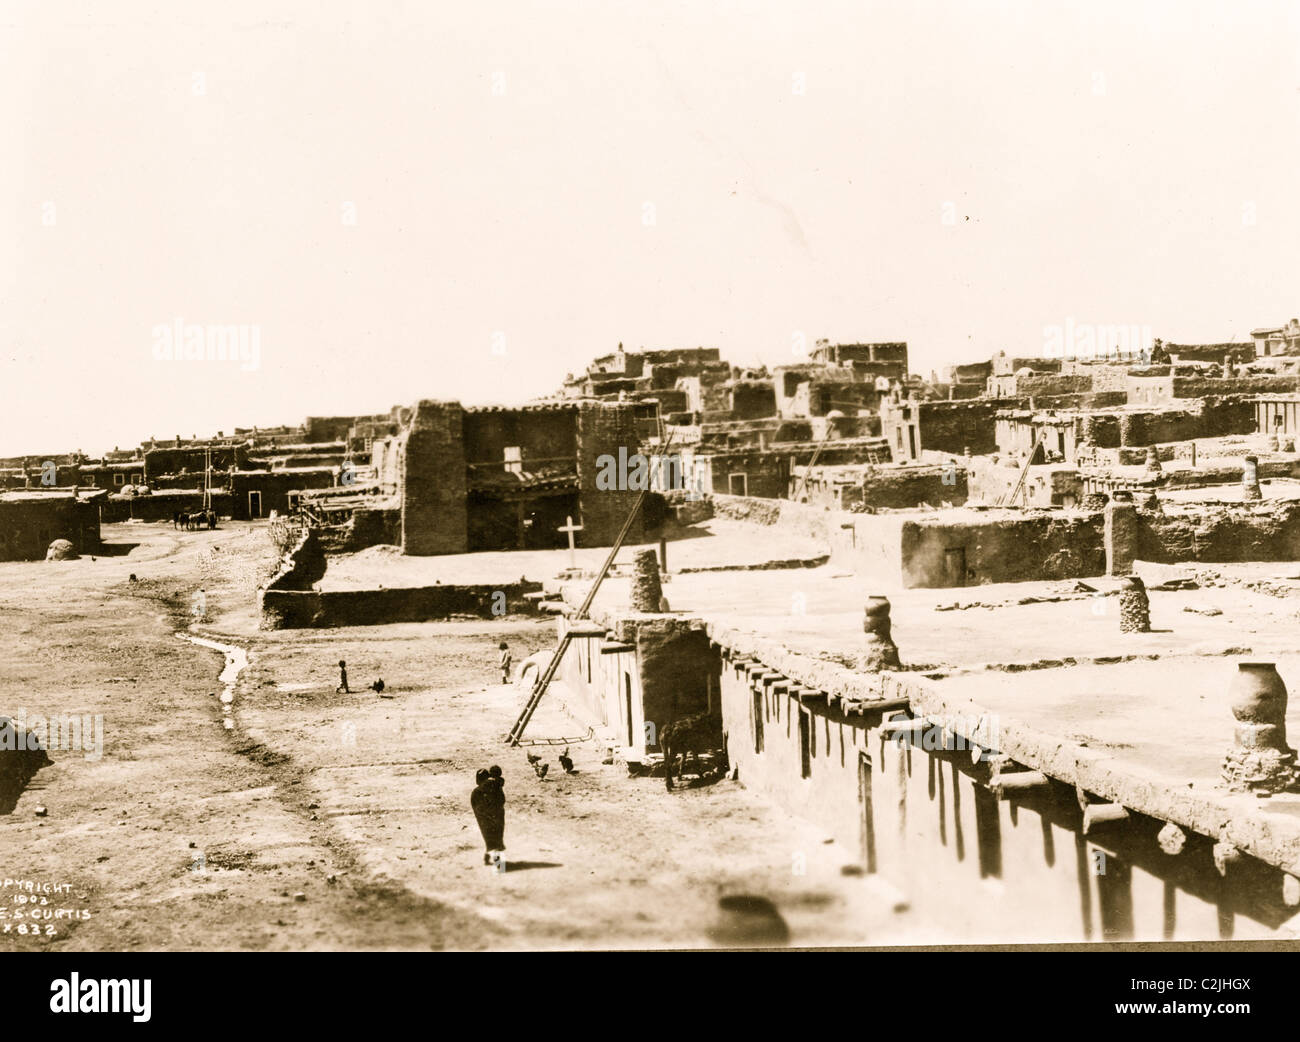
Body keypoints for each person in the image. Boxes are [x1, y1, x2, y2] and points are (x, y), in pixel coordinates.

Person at [470, 768, 506, 866]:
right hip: (498, 817)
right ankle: (494, 860)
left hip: (486, 819)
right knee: (496, 839)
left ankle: (500, 866)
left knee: (491, 839)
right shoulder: (496, 786)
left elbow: (477, 807)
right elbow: (502, 800)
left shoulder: (477, 791)